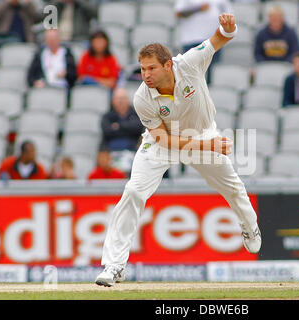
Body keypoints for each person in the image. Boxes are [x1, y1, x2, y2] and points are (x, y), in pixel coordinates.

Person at [95, 13, 261, 287]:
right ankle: (114, 266)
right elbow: (163, 139)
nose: (145, 75)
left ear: (168, 65)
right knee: (133, 191)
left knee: (232, 187)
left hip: (202, 131)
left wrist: (227, 27)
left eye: (151, 69)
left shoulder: (190, 63)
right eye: (142, 69)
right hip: (164, 142)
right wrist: (206, 146)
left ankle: (250, 226)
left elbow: (219, 39)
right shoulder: (141, 98)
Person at [174, 0, 232, 82]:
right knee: (190, 75)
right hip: (191, 40)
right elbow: (179, 13)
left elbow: (229, 16)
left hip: (213, 41)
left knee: (212, 75)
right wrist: (198, 9)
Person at [101, 87, 144, 152]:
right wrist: (128, 128)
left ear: (128, 100)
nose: (120, 101)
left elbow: (138, 128)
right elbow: (107, 131)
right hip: (111, 152)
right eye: (117, 99)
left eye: (123, 98)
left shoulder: (136, 114)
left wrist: (118, 126)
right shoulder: (107, 116)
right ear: (112, 101)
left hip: (133, 151)